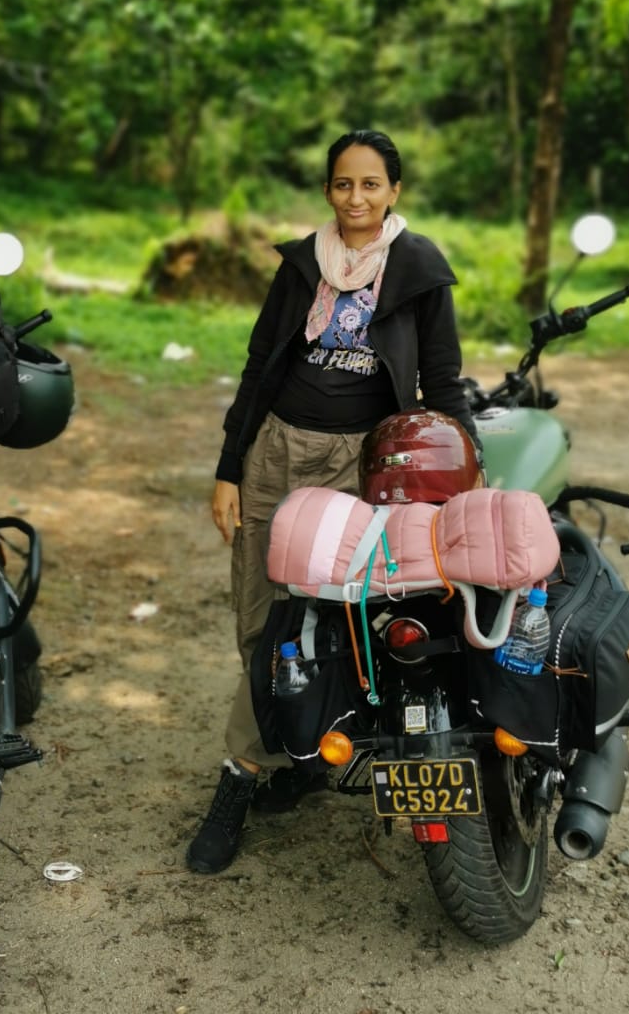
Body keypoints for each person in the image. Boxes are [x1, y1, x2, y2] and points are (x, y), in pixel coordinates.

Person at [186, 128, 479, 874]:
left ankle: (249, 772)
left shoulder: (419, 271)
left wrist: (464, 482)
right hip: (277, 450)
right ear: (328, 191)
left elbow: (442, 384)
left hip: (363, 461)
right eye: (343, 185)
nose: (356, 199)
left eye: (371, 185)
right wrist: (229, 468)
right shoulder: (299, 266)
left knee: (345, 615)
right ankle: (284, 758)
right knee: (262, 616)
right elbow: (260, 367)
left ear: (394, 192)